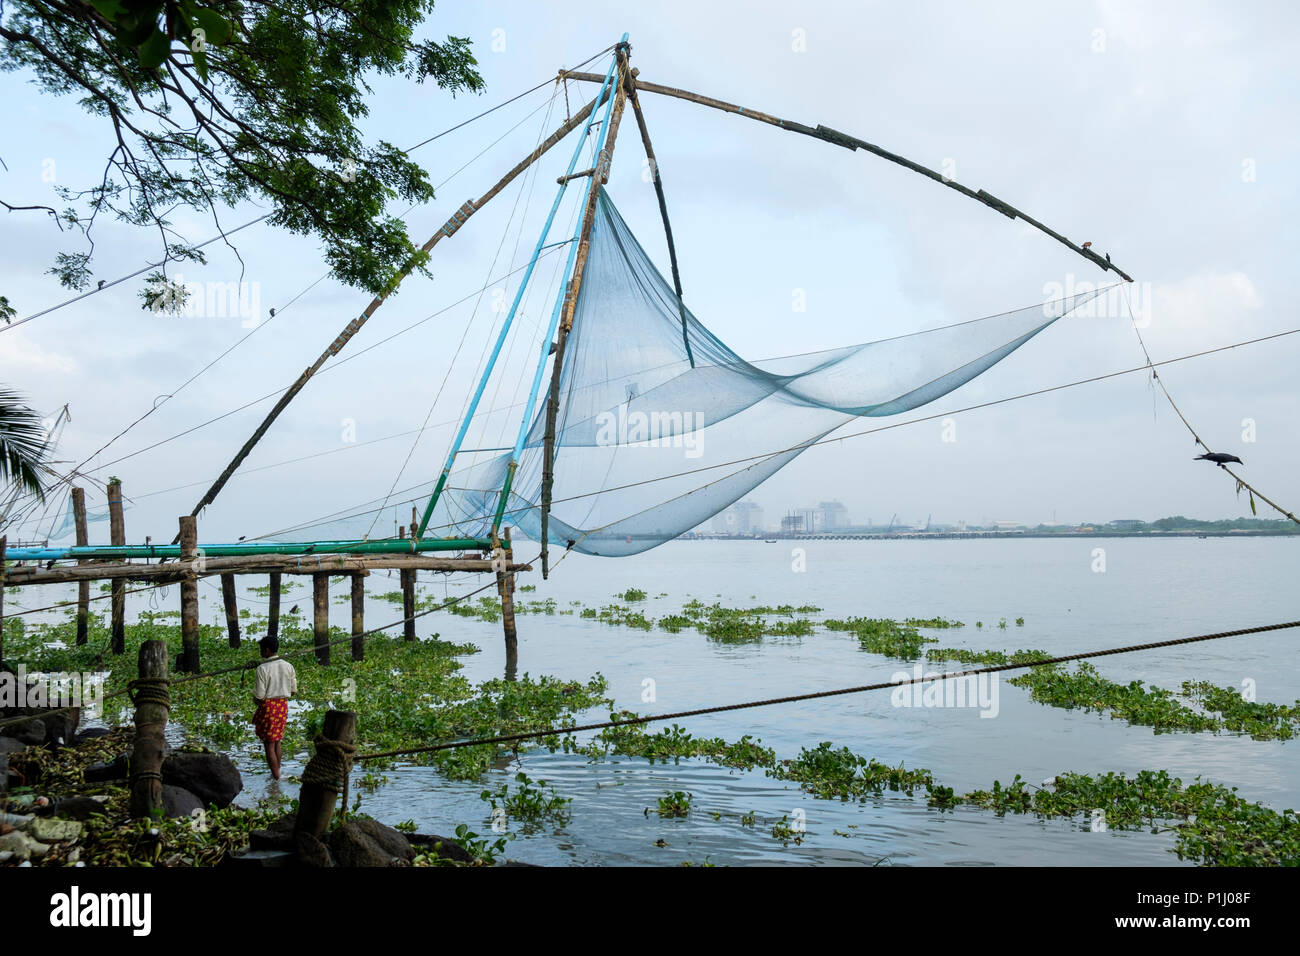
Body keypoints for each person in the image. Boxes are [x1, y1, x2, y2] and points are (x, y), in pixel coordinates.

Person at [252, 635, 296, 779]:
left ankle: (276, 777)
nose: (260, 653)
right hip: (282, 705)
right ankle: (278, 772)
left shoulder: (262, 668)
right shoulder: (288, 666)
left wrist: (256, 700)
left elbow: (259, 695)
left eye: (261, 650)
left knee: (269, 744)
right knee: (277, 740)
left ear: (267, 650)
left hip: (269, 706)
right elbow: (293, 691)